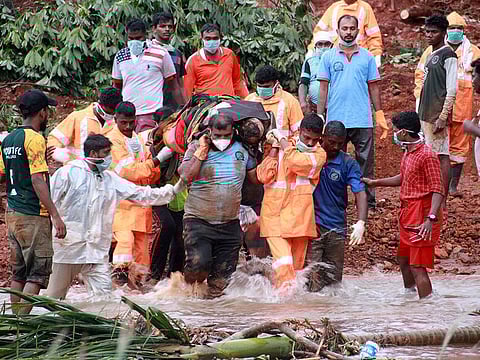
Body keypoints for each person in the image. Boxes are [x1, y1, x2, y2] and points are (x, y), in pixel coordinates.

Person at [46, 134, 176, 299]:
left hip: (96, 251)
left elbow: (140, 193)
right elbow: (49, 201)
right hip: (68, 248)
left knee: (105, 299)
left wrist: (173, 190)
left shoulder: (109, 178)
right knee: (53, 298)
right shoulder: (67, 173)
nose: (109, 158)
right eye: (106, 153)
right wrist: (55, 223)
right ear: (93, 154)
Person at [363, 112, 444, 299]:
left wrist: (430, 219)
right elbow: (404, 178)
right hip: (408, 213)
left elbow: (438, 189)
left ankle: (427, 308)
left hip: (422, 215)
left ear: (404, 133)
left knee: (417, 266)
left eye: (395, 131)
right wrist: (376, 183)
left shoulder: (427, 155)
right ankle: (410, 297)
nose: (394, 134)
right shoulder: (408, 152)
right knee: (404, 259)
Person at [178, 111, 258, 297]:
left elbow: (256, 178)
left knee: (222, 280)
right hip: (198, 221)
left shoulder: (243, 150)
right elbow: (185, 176)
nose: (222, 139)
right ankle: (185, 300)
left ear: (233, 133)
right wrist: (201, 152)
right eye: (217, 136)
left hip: (230, 224)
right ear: (209, 132)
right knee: (198, 266)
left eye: (226, 136)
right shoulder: (196, 147)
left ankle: (214, 319)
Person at [0, 89, 66, 314]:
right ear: (43, 113)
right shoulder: (36, 138)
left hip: (13, 214)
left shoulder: (9, 139)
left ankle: (13, 323)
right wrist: (55, 216)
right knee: (37, 274)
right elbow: (37, 180)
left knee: (19, 274)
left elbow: (6, 169)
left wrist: (39, 162)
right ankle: (23, 324)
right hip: (33, 215)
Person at [317, 14, 388, 209]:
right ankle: (335, 201)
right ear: (338, 31)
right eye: (344, 28)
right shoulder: (328, 56)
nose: (348, 32)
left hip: (362, 119)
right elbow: (323, 87)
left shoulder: (367, 57)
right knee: (333, 162)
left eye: (352, 28)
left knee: (365, 163)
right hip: (335, 121)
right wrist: (320, 115)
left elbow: (374, 87)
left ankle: (368, 203)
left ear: (358, 30)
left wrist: (379, 112)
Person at [105, 101, 171, 288]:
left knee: (142, 252)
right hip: (122, 204)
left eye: (131, 123)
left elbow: (150, 173)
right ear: (116, 119)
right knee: (125, 244)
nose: (127, 127)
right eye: (123, 123)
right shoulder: (112, 141)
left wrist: (149, 168)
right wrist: (156, 162)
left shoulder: (139, 140)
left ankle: (137, 290)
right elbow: (129, 171)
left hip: (142, 205)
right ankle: (118, 284)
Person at [257, 114, 327, 289]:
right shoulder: (282, 145)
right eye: (307, 137)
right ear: (300, 131)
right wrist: (274, 146)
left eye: (315, 139)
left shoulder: (319, 155)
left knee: (295, 272)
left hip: (300, 221)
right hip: (274, 217)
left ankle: (287, 311)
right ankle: (283, 312)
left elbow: (296, 162)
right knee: (284, 266)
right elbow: (263, 176)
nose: (310, 143)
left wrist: (281, 141)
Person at [415, 12, 479, 197]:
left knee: (456, 150)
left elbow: (465, 84)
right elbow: (421, 77)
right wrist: (420, 100)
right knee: (435, 150)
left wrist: (445, 114)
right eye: (452, 28)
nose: (455, 31)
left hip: (460, 107)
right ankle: (436, 188)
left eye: (459, 28)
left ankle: (450, 188)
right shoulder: (430, 52)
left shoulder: (472, 51)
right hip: (434, 108)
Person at [307, 121, 368, 291]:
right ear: (323, 138)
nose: (336, 147)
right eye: (331, 142)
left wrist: (361, 222)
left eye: (340, 143)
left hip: (336, 229)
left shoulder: (348, 164)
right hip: (312, 227)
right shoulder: (309, 156)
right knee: (310, 280)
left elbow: (360, 192)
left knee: (333, 283)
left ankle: (332, 316)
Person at [112, 18, 184, 133]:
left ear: (146, 35)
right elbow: (117, 86)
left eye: (138, 38)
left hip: (152, 114)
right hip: (128, 116)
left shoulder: (161, 53)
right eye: (131, 38)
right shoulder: (120, 56)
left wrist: (183, 109)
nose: (134, 41)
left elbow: (174, 86)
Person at [416, 15, 457, 200]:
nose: (429, 35)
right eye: (427, 32)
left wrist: (443, 115)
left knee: (441, 155)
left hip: (437, 114)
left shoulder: (448, 55)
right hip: (425, 112)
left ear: (444, 33)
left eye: (434, 32)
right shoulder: (431, 54)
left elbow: (452, 89)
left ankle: (442, 198)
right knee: (430, 154)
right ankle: (430, 194)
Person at [47, 87, 122, 164]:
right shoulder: (78, 117)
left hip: (104, 171)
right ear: (99, 104)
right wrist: (59, 154)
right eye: (108, 112)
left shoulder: (118, 123)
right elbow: (55, 138)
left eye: (113, 113)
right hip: (77, 169)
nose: (110, 115)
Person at [307, 0, 383, 67]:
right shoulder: (334, 8)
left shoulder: (365, 8)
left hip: (358, 58)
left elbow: (373, 35)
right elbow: (319, 33)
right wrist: (311, 49)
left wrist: (376, 54)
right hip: (335, 59)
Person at [184, 23, 248, 100]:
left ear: (220, 38)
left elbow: (237, 81)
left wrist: (247, 100)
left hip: (229, 102)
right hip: (205, 104)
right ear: (202, 38)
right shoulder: (193, 60)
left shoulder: (229, 55)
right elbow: (187, 90)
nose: (212, 41)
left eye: (215, 38)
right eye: (208, 38)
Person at [152, 12, 187, 111]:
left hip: (173, 107)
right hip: (153, 106)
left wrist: (185, 107)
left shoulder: (177, 54)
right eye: (162, 26)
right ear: (154, 29)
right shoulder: (148, 52)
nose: (167, 29)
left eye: (170, 26)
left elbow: (180, 84)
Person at [299, 31, 333, 114]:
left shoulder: (337, 61)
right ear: (315, 46)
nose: (323, 47)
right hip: (314, 106)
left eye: (326, 44)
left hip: (334, 107)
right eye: (320, 44)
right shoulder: (309, 62)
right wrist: (303, 102)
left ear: (331, 46)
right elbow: (303, 83)